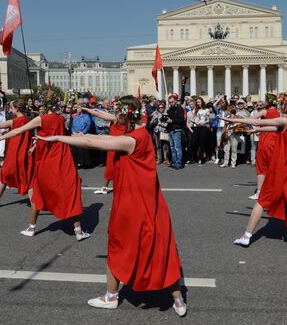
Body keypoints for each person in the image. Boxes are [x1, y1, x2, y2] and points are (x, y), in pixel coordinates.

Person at [36, 96, 186, 317]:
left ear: (125, 114)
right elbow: (95, 137)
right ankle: (178, 300)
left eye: (119, 114)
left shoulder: (131, 139)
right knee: (161, 248)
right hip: (152, 202)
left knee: (116, 246)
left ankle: (111, 296)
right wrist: (81, 134)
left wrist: (58, 137)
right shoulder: (140, 132)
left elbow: (92, 142)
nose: (115, 119)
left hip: (131, 204)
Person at [223, 92, 287, 252]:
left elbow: (270, 122)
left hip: (280, 170)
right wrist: (256, 130)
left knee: (262, 201)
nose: (280, 105)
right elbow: (273, 127)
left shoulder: (285, 120)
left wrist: (235, 119)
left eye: (283, 103)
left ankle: (247, 236)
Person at [0, 95, 90, 240]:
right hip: (63, 159)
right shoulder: (60, 119)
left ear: (43, 105)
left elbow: (18, 131)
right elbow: (54, 137)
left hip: (46, 160)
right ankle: (78, 231)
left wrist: (0, 137)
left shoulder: (40, 119)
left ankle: (31, 228)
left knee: (38, 194)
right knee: (70, 193)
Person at [83, 106, 122, 195]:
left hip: (114, 146)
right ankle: (107, 187)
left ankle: (105, 188)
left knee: (110, 167)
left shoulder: (116, 119)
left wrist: (89, 110)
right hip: (120, 145)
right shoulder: (124, 119)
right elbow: (106, 114)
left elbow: (102, 116)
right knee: (117, 167)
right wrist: (96, 110)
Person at [247, 93, 280, 200]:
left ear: (269, 101)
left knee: (261, 166)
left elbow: (251, 119)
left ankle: (260, 192)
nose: (263, 102)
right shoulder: (278, 112)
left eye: (265, 100)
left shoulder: (265, 111)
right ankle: (274, 190)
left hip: (265, 140)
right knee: (272, 166)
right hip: (275, 139)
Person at [166, 93, 185, 170]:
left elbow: (181, 119)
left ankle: (179, 163)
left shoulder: (180, 108)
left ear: (176, 101)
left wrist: (172, 120)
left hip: (177, 129)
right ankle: (174, 162)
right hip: (170, 129)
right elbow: (168, 117)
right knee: (172, 147)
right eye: (170, 102)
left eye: (172, 102)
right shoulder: (170, 109)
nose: (171, 103)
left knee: (177, 147)